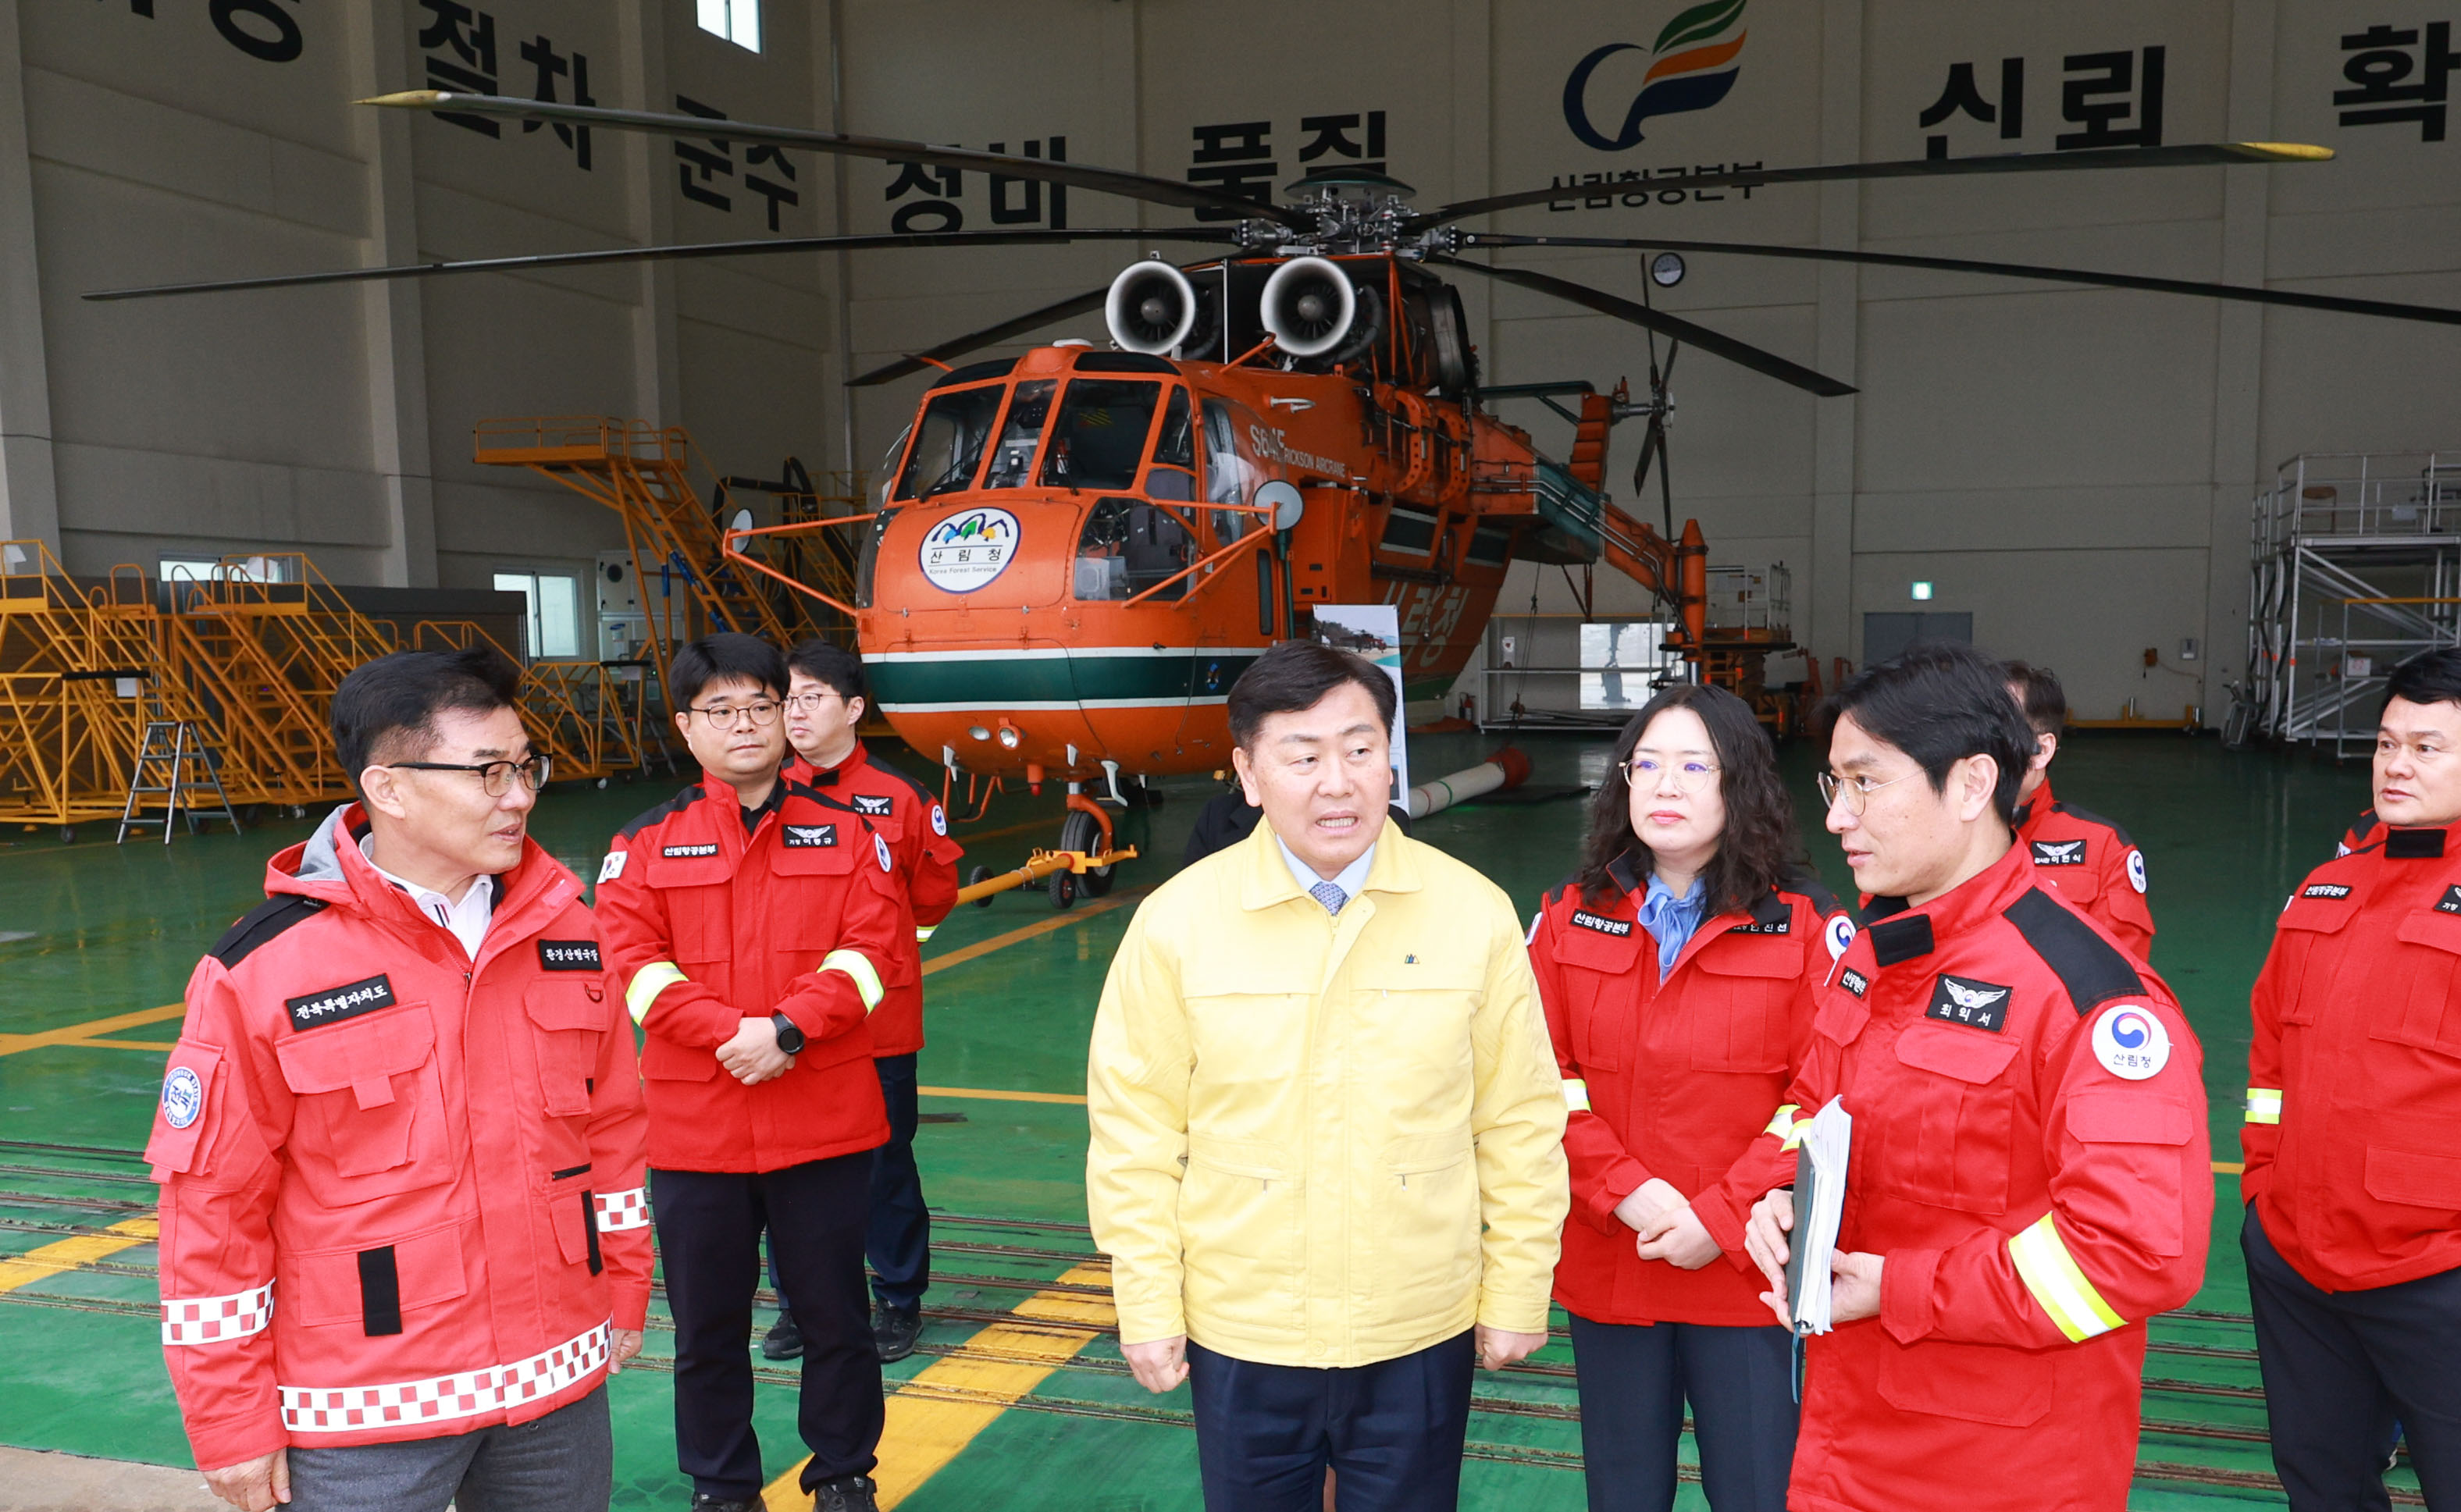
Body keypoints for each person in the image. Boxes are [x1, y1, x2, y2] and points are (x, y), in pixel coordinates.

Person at [145, 647, 650, 1512]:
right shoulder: (262, 969)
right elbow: (213, 1210)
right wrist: (231, 1419)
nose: (519, 795)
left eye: (526, 765)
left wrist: (626, 1286)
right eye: (488, 771)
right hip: (364, 1409)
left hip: (557, 1380)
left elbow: (612, 1132)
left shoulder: (569, 932)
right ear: (389, 788)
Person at [1086, 639, 1569, 1511]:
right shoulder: (1178, 922)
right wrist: (1147, 1303)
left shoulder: (1473, 912)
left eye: (1359, 749)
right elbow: (1135, 1131)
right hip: (1244, 1325)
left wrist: (1517, 1286)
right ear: (1248, 773)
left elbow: (1519, 1118)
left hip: (1417, 1323)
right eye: (1302, 757)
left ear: (1390, 759)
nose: (1337, 782)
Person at [1736, 642, 2210, 1512]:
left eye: (1865, 782)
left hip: (2002, 1466)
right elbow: (1813, 1108)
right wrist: (1780, 1197)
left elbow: (2136, 1254)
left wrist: (1903, 1288)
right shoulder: (1874, 956)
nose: (1837, 817)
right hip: (1849, 1436)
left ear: (1970, 784)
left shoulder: (2085, 997)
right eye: (1834, 784)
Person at [594, 634, 903, 1512]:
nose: (745, 725)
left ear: (785, 715)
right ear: (686, 726)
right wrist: (736, 1033)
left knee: (837, 1318)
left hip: (822, 1121)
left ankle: (843, 1472)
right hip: (698, 1133)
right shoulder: (643, 844)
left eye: (762, 706)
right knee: (707, 1329)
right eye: (721, 710)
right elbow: (632, 966)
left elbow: (873, 952)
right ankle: (723, 1486)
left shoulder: (850, 833)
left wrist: (790, 1030)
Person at [1529, 684, 1851, 1512]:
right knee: (1623, 1491)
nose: (1664, 786)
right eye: (1646, 766)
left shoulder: (1808, 925)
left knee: (1757, 1489)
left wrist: (1721, 1214)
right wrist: (1623, 1190)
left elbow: (1825, 1093)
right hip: (1615, 1260)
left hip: (1746, 1275)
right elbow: (1534, 1077)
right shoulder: (1568, 916)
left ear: (1740, 782)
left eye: (1693, 766)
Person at [2242, 647, 2461, 1507]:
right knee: (2321, 1482)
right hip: (2299, 1264)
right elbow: (2270, 1054)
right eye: (2386, 743)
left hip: (2436, 1271)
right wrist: (2263, 1185)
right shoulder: (2325, 889)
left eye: (2427, 747)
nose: (2396, 765)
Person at [759, 638, 963, 1366]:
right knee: (787, 1166)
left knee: (882, 1167)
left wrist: (882, 958)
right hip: (786, 1019)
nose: (795, 713)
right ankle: (797, 1303)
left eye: (811, 698)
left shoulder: (900, 799)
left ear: (852, 708)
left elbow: (932, 897)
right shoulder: (763, 793)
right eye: (786, 700)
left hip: (877, 1024)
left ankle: (897, 1298)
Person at [2002, 661, 2154, 960]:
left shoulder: (2104, 850)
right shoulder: (1936, 839)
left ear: (2041, 750)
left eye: (1997, 729)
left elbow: (2118, 974)